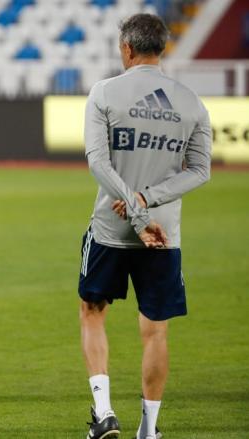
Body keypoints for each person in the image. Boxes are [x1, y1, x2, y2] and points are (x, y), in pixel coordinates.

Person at [78, 13, 211, 439]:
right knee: (155, 331)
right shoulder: (192, 102)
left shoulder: (105, 92)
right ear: (163, 49)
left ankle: (103, 414)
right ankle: (149, 430)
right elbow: (201, 171)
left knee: (92, 312)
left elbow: (98, 162)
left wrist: (133, 208)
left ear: (127, 49)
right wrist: (148, 203)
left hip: (110, 232)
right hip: (163, 235)